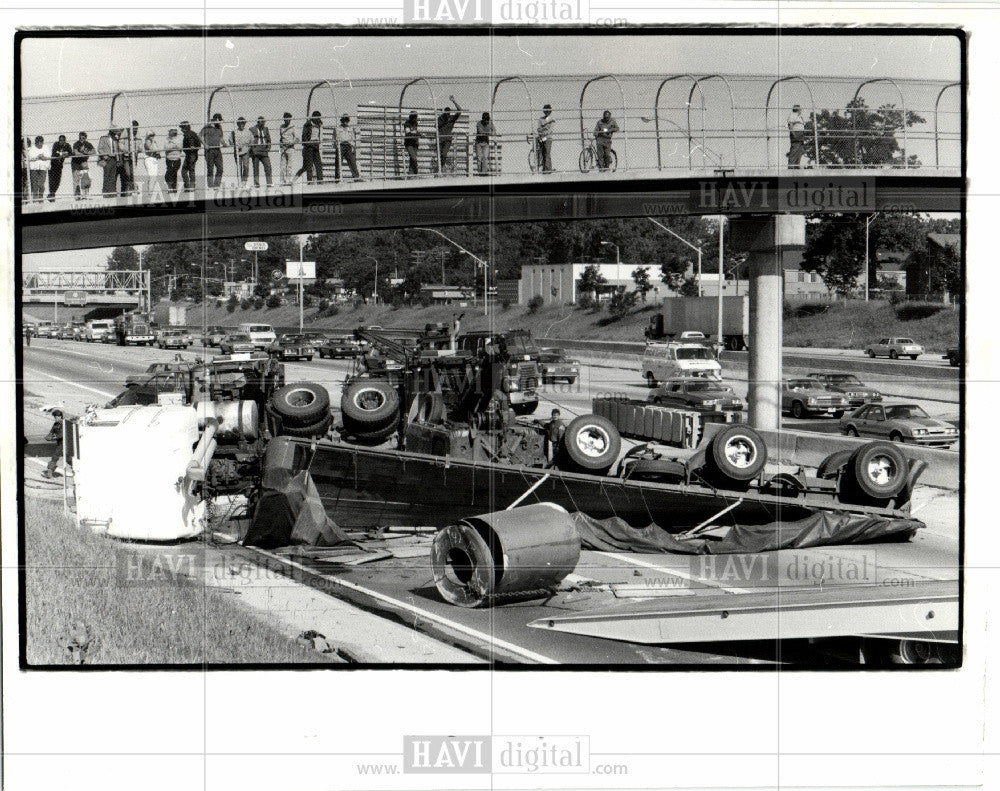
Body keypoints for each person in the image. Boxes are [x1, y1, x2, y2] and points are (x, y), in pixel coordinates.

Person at [436, 95, 462, 173]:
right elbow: (436, 126)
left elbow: (459, 110)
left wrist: (454, 101)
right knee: (440, 155)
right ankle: (440, 170)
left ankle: (442, 168)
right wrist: (442, 118)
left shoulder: (451, 119)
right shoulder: (440, 119)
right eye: (446, 113)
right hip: (440, 139)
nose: (447, 115)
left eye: (448, 113)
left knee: (444, 154)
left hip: (447, 139)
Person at [296, 110, 323, 183]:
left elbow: (319, 134)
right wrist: (309, 144)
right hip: (309, 147)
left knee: (319, 165)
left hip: (316, 146)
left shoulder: (318, 124)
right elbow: (304, 137)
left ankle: (320, 181)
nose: (318, 119)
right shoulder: (308, 124)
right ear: (313, 117)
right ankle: (309, 182)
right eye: (317, 118)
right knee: (309, 166)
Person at [200, 113, 225, 188]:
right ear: (216, 120)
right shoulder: (207, 127)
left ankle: (217, 185)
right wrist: (205, 145)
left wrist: (224, 143)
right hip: (209, 151)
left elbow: (220, 138)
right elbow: (200, 136)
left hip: (217, 150)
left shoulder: (219, 128)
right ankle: (210, 185)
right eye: (219, 120)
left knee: (220, 168)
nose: (220, 122)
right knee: (210, 168)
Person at [47, 134, 73, 201]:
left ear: (65, 141)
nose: (61, 142)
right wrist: (60, 155)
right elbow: (54, 153)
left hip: (59, 166)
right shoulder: (56, 144)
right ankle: (52, 196)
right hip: (53, 165)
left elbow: (71, 153)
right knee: (52, 182)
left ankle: (51, 195)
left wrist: (66, 154)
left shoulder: (67, 145)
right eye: (60, 140)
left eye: (63, 140)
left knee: (58, 182)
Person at [70, 131, 95, 200]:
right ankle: (77, 197)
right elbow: (76, 152)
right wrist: (84, 153)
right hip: (76, 163)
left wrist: (87, 152)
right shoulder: (76, 144)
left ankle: (85, 196)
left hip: (84, 163)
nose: (81, 139)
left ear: (85, 138)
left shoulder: (88, 144)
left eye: (83, 138)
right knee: (76, 180)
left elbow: (94, 151)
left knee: (86, 179)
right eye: (80, 138)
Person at [335, 114, 360, 181]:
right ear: (342, 120)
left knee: (352, 162)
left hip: (348, 146)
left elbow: (353, 138)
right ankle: (338, 179)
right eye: (344, 120)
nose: (345, 122)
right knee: (338, 164)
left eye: (346, 120)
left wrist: (353, 147)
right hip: (340, 146)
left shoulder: (350, 129)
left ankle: (356, 177)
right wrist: (336, 147)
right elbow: (334, 138)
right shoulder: (337, 128)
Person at [250, 116, 273, 188]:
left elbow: (269, 139)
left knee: (268, 166)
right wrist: (253, 149)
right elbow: (250, 140)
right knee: (256, 168)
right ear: (258, 122)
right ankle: (256, 183)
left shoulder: (266, 129)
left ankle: (269, 182)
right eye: (262, 122)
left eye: (264, 122)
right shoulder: (252, 129)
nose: (263, 124)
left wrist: (268, 147)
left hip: (264, 151)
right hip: (256, 151)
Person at [179, 121, 201, 191]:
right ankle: (191, 186)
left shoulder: (188, 134)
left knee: (184, 171)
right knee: (191, 170)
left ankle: (188, 186)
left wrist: (191, 146)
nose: (181, 130)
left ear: (184, 128)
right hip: (193, 154)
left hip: (190, 154)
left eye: (181, 128)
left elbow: (191, 142)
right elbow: (198, 144)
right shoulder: (193, 133)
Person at [42, 409, 64, 479]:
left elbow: (62, 435)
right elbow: (51, 432)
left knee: (55, 456)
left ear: (60, 416)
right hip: (60, 443)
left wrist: (53, 438)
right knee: (58, 457)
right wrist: (48, 436)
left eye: (56, 417)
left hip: (65, 443)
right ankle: (50, 471)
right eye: (55, 417)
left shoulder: (64, 424)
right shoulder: (55, 424)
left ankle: (50, 471)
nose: (55, 418)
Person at [278, 112, 298, 184]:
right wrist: (281, 146)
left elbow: (297, 138)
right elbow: (281, 138)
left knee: (289, 165)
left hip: (290, 148)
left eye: (289, 119)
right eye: (286, 119)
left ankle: (289, 180)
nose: (287, 120)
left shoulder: (293, 127)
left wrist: (291, 143)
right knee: (282, 165)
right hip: (283, 148)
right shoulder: (281, 127)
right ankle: (282, 181)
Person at [28, 136, 48, 202]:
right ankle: (35, 200)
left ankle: (40, 199)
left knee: (41, 184)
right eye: (38, 143)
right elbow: (30, 157)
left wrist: (43, 157)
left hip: (42, 168)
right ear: (36, 143)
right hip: (34, 168)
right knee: (34, 185)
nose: (40, 144)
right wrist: (37, 157)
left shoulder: (46, 148)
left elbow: (48, 157)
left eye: (41, 143)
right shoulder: (32, 149)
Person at [232, 116, 252, 185]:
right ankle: (239, 182)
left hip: (245, 151)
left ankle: (244, 181)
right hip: (237, 152)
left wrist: (248, 147)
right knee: (239, 167)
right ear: (238, 124)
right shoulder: (234, 132)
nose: (242, 125)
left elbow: (252, 140)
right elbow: (231, 141)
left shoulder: (248, 132)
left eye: (243, 123)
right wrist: (236, 146)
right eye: (240, 123)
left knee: (246, 166)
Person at [536, 104, 555, 173]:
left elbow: (550, 130)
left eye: (548, 111)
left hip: (548, 138)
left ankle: (548, 169)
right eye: (545, 111)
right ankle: (544, 168)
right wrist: (545, 128)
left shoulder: (552, 119)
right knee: (542, 153)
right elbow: (538, 129)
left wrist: (543, 130)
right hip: (542, 138)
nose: (547, 112)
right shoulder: (541, 119)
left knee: (547, 153)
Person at [787, 104, 807, 169]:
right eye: (800, 109)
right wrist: (793, 134)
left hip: (801, 134)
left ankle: (796, 165)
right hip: (796, 133)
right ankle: (791, 166)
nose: (801, 110)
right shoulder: (793, 115)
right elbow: (790, 125)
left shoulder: (799, 117)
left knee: (800, 150)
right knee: (794, 149)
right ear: (797, 109)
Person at [164, 128, 182, 193]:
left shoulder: (178, 140)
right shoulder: (167, 140)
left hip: (176, 158)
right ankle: (170, 187)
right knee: (168, 174)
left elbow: (180, 148)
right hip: (169, 158)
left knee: (174, 173)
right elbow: (166, 148)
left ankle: (173, 188)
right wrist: (174, 146)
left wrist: (171, 146)